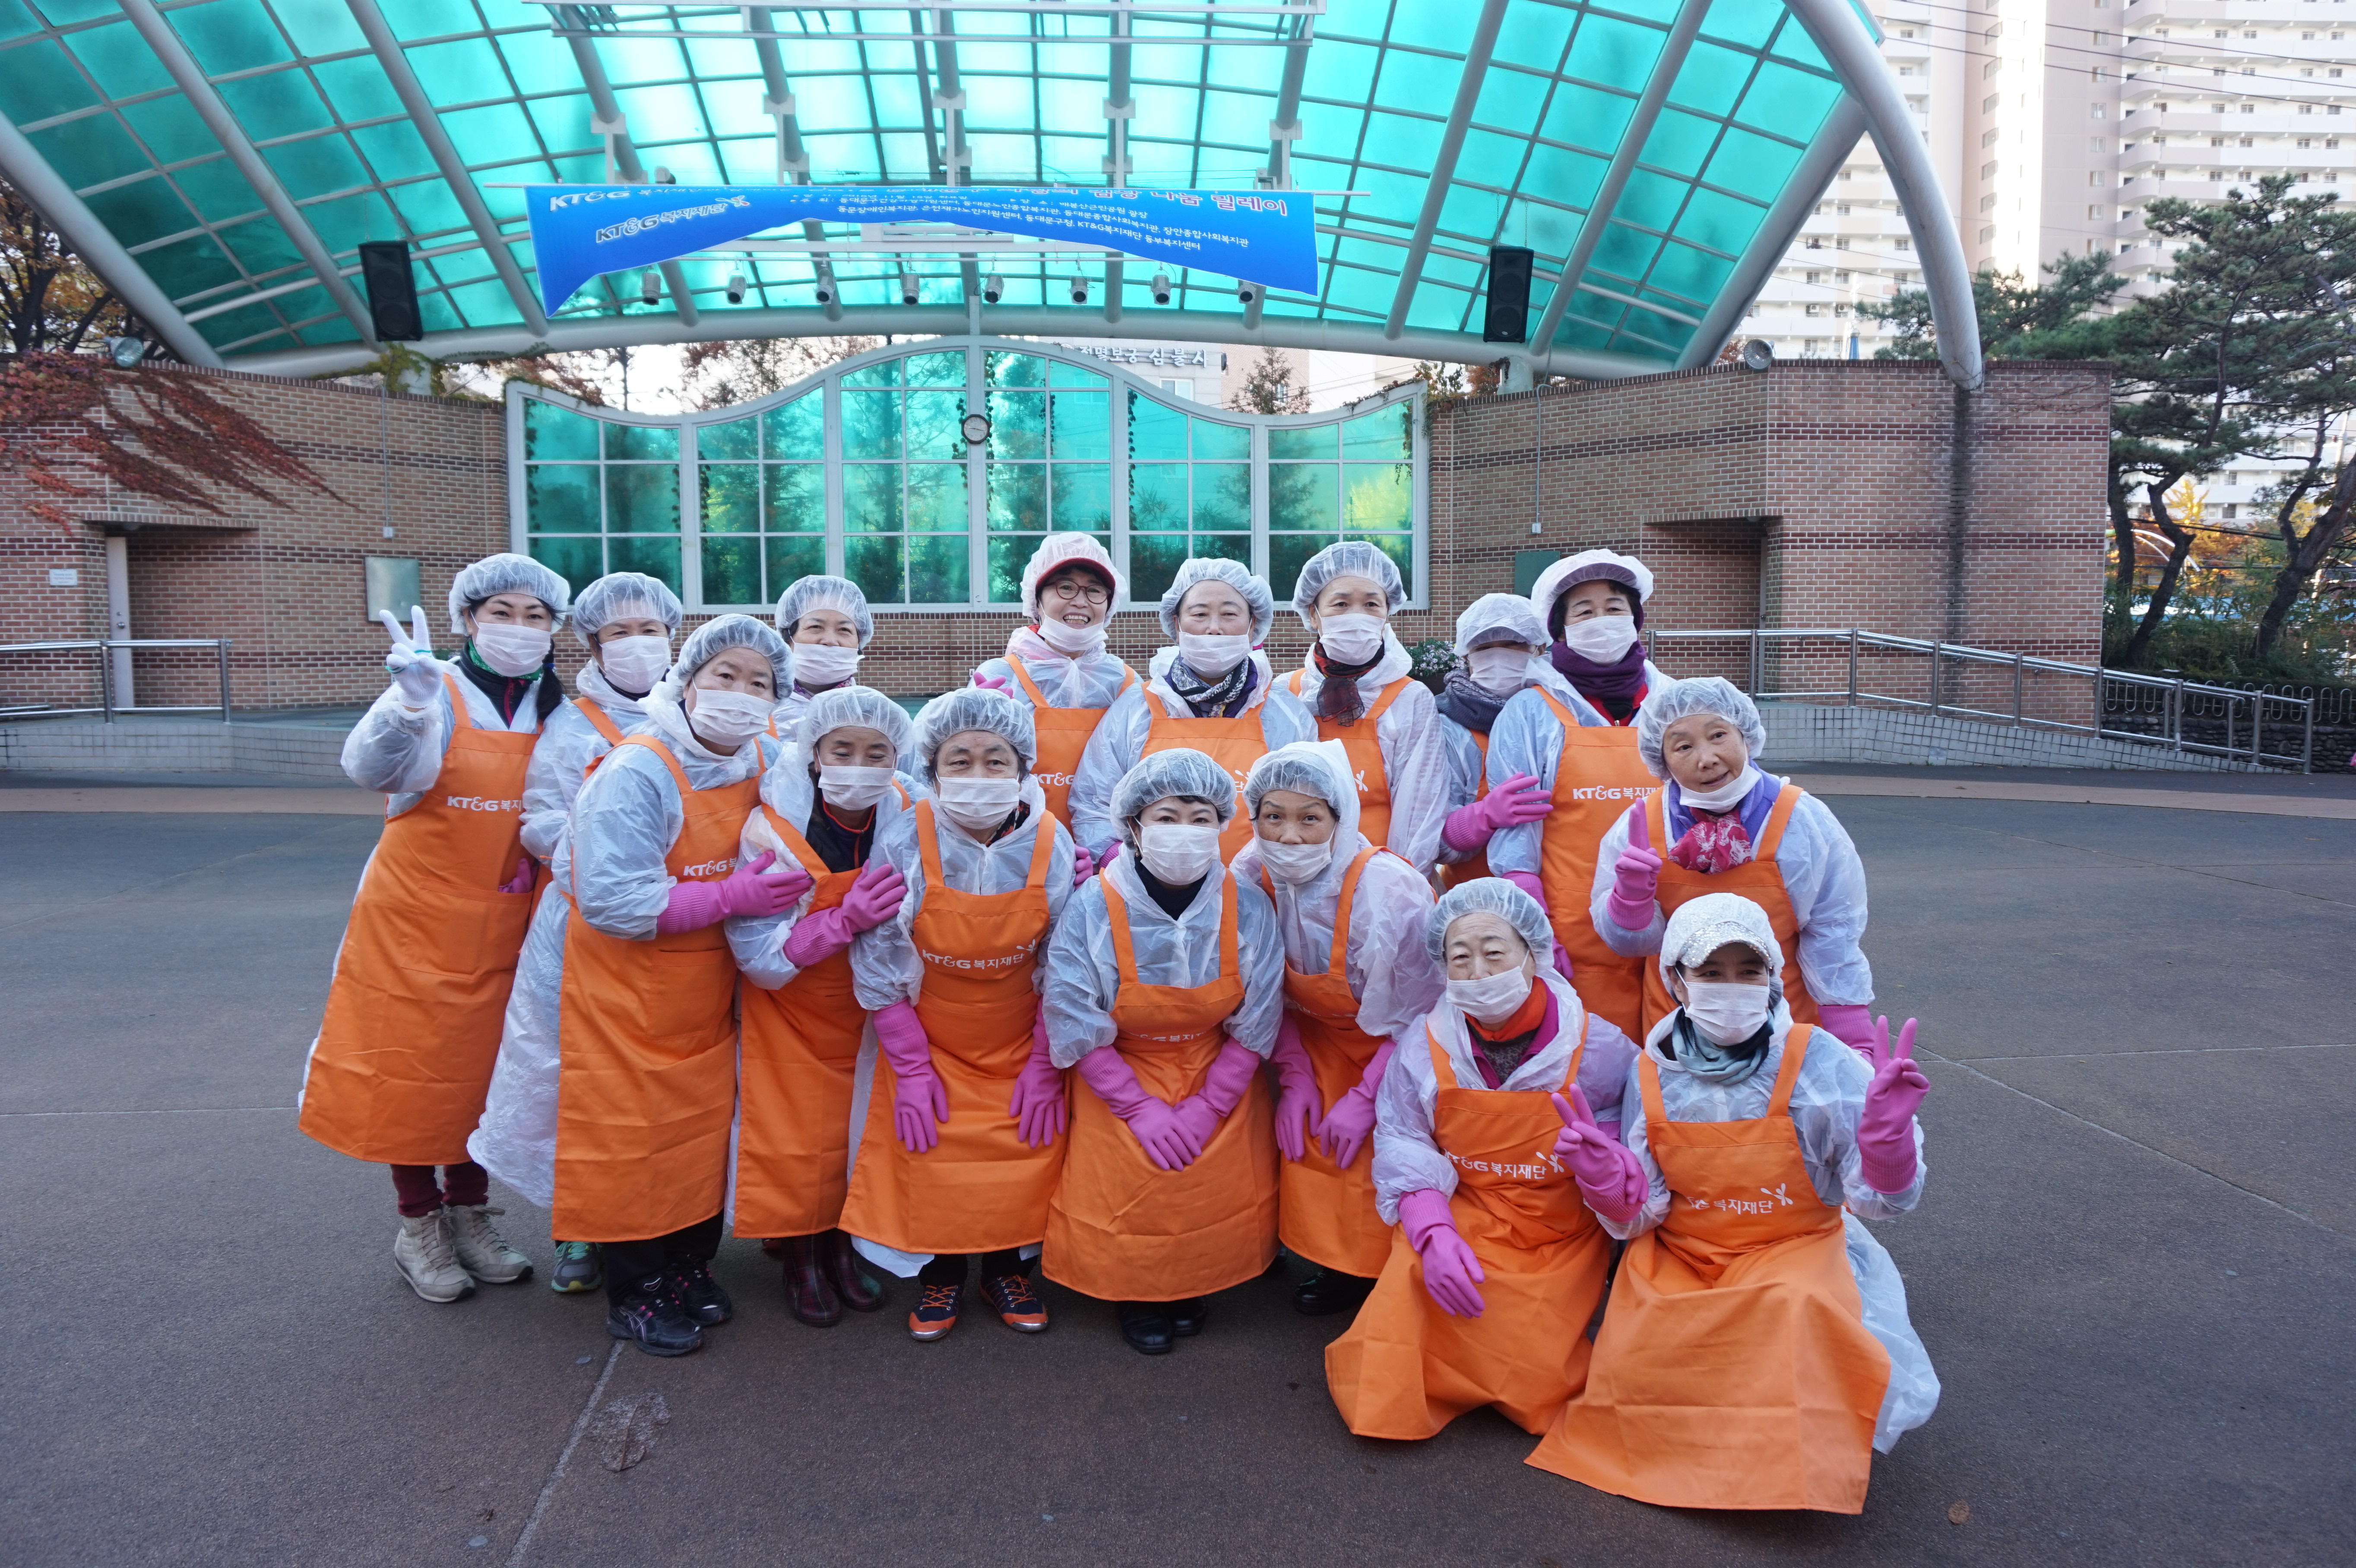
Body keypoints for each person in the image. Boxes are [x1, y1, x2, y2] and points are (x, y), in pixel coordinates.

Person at [1526, 892, 1936, 1512]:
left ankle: (1784, 1470)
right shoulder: (1651, 1072)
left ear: (1773, 975)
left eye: (1749, 970)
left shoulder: (1818, 1061)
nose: (1731, 986)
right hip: (1684, 1253)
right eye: (1711, 972)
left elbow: (1880, 1203)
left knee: (1792, 1308)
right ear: (1676, 980)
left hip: (1794, 1247)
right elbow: (1642, 1214)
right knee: (1643, 1339)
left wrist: (1887, 1145)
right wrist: (1606, 1182)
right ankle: (1685, 1459)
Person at [301, 552, 570, 1305]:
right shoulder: (435, 688)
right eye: (502, 613)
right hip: (415, 923)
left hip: (510, 922)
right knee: (412, 1074)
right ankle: (418, 1223)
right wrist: (407, 706)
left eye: (536, 616)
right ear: (468, 620)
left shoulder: (555, 708)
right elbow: (377, 771)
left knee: (487, 1074)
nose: (520, 628)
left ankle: (471, 1213)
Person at [548, 614, 807, 1356]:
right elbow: (612, 900)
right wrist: (729, 896)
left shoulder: (766, 757)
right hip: (628, 994)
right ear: (688, 679)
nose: (741, 693)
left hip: (710, 993)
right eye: (725, 675)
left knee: (700, 1135)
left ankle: (687, 1267)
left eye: (760, 683)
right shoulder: (639, 769)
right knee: (634, 1142)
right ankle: (635, 1289)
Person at [1324, 879, 1639, 1441]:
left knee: (1534, 1373)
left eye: (1494, 952)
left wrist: (1606, 1168)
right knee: (1398, 1323)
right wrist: (1431, 1232)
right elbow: (1403, 1139)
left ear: (1533, 953)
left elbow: (1636, 1150)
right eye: (1459, 957)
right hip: (1468, 1211)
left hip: (1560, 1230)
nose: (1478, 972)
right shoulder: (1425, 1045)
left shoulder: (1598, 1047)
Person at [839, 687, 1077, 1340]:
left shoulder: (1052, 842)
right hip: (929, 1036)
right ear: (932, 770)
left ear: (1023, 767)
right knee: (932, 1158)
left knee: (1020, 1158)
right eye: (960, 760)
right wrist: (911, 1066)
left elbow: (1065, 960)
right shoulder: (904, 838)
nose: (978, 774)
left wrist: (1044, 1063)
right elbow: (879, 958)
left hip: (1020, 1035)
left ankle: (1007, 1271)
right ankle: (940, 1273)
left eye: (995, 760)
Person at [471, 569, 683, 1297]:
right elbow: (540, 820)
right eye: (619, 632)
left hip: (685, 923)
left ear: (672, 637)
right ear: (592, 643)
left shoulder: (691, 713)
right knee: (576, 1078)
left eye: (649, 630)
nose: (637, 644)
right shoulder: (570, 727)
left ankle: (673, 1224)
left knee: (667, 1082)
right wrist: (613, 866)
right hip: (583, 930)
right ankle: (578, 1227)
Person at [1040, 747, 1284, 1354]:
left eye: (1201, 818)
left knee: (1203, 1182)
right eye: (1167, 817)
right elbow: (1073, 1013)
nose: (1184, 831)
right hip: (1118, 1069)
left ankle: (1194, 1277)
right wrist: (1136, 1106)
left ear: (1223, 824)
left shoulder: (1248, 904)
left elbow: (1258, 1014)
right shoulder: (1093, 905)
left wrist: (1211, 1104)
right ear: (1133, 825)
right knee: (1135, 1179)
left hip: (1215, 1063)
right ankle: (1136, 1289)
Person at [729, 684, 919, 1325]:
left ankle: (843, 1245)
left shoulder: (906, 811)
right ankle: (801, 1256)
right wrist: (842, 921)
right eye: (842, 751)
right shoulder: (772, 827)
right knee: (795, 1140)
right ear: (814, 753)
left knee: (855, 1134)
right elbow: (759, 956)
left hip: (872, 1004)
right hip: (793, 1008)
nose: (859, 766)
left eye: (877, 752)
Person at [1235, 741, 1442, 1316]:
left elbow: (1424, 1011)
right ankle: (1331, 1265)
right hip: (1304, 1040)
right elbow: (1256, 989)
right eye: (1273, 817)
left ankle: (1385, 1270)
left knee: (1378, 1158)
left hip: (1392, 1050)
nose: (1289, 836)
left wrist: (1366, 1096)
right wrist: (1295, 1075)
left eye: (1310, 819)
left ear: (1340, 817)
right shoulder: (1250, 874)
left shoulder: (1387, 889)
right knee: (1311, 1153)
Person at [1588, 677, 1878, 1049]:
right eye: (1683, 746)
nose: (1706, 759)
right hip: (1677, 1035)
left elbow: (1833, 932)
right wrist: (1630, 901)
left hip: (1784, 1028)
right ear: (1662, 761)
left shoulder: (1800, 820)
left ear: (1745, 735)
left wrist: (1853, 1039)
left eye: (1718, 736)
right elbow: (1633, 946)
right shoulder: (1640, 825)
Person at [1485, 550, 1669, 1039]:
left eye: (1614, 607)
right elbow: (1516, 837)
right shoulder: (1531, 711)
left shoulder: (1673, 703)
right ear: (1560, 629)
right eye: (1584, 611)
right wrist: (1532, 923)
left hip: (1674, 920)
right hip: (1572, 929)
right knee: (1588, 1060)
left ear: (1636, 619)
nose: (1602, 620)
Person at [1067, 557, 1313, 866]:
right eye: (1199, 614)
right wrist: (1120, 860)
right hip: (1150, 889)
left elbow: (1310, 807)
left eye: (1229, 614)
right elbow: (1094, 801)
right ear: (1176, 624)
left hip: (1264, 886)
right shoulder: (1137, 707)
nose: (1214, 628)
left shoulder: (1285, 713)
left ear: (1253, 626)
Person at [1279, 541, 1448, 874]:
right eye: (1341, 604)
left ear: (1387, 614)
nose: (1356, 617)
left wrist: (1397, 883)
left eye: (1371, 604)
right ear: (1313, 614)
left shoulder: (1409, 698)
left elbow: (1420, 812)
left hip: (1379, 877)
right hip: (1293, 878)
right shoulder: (1287, 693)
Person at [971, 534, 1136, 833]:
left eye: (1095, 591)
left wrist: (1112, 850)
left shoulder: (1124, 683)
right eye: (1066, 587)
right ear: (1037, 600)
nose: (1080, 601)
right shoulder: (1001, 677)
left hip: (1108, 847)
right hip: (1017, 843)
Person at [1432, 593, 1571, 890]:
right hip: (1474, 901)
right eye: (1484, 648)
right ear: (1466, 657)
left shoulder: (1568, 715)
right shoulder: (1447, 726)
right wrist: (1480, 818)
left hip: (1568, 896)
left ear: (1540, 648)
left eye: (1513, 644)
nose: (1499, 656)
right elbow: (1432, 840)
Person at [772, 574, 875, 739]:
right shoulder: (759, 711)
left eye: (844, 630)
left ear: (859, 642)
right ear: (787, 637)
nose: (830, 641)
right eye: (816, 627)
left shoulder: (876, 715)